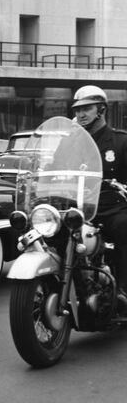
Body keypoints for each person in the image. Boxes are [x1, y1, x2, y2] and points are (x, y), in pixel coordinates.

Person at [70, 85, 127, 310]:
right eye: (77, 110)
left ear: (101, 110)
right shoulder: (71, 142)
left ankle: (122, 289)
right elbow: (53, 169)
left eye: (87, 108)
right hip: (78, 208)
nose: (80, 114)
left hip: (111, 207)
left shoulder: (120, 141)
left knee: (124, 226)